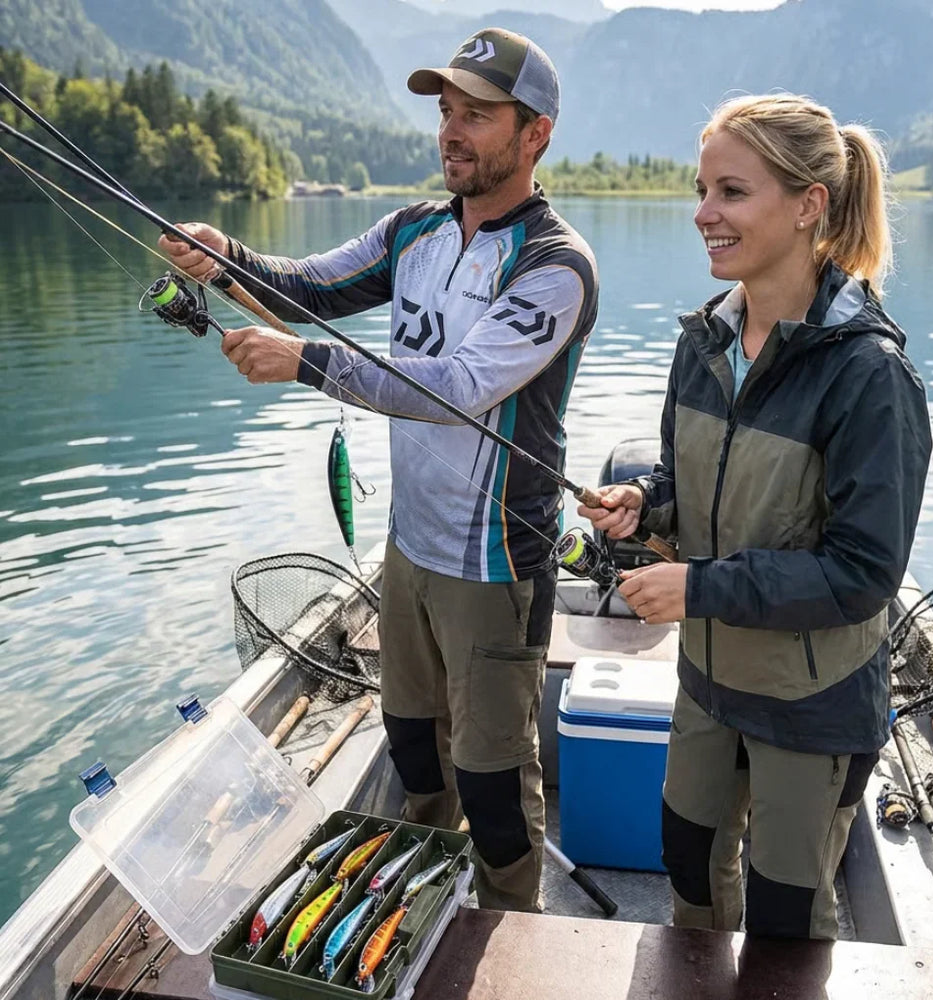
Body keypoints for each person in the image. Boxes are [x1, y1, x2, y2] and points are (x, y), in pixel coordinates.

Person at [160, 28, 597, 913]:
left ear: (536, 134)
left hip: (495, 565)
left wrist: (307, 365)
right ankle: (423, 904)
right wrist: (223, 254)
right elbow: (306, 290)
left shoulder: (557, 266)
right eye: (447, 111)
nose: (452, 131)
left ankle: (512, 930)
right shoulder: (414, 231)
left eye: (477, 115)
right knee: (414, 751)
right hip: (407, 550)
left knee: (493, 784)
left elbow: (458, 388)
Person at [579, 93, 931, 939]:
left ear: (809, 205)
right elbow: (686, 484)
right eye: (702, 190)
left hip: (813, 701)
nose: (704, 213)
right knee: (687, 862)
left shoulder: (870, 375)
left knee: (785, 921)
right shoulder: (701, 343)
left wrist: (698, 587)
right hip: (708, 681)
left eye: (731, 192)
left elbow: (863, 575)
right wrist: (645, 503)